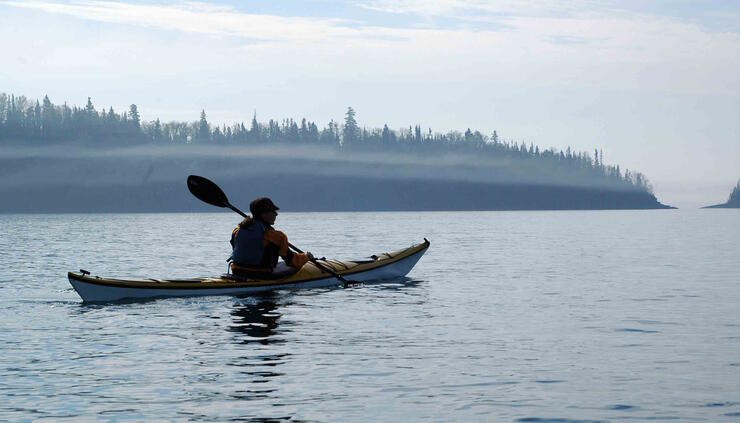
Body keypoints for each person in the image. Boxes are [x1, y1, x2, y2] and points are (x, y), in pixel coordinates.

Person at [229, 197, 313, 278]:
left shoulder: (237, 231)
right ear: (264, 214)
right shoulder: (277, 236)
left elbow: (236, 248)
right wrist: (306, 257)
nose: (276, 214)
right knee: (296, 267)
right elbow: (290, 260)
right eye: (273, 211)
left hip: (237, 271)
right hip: (261, 274)